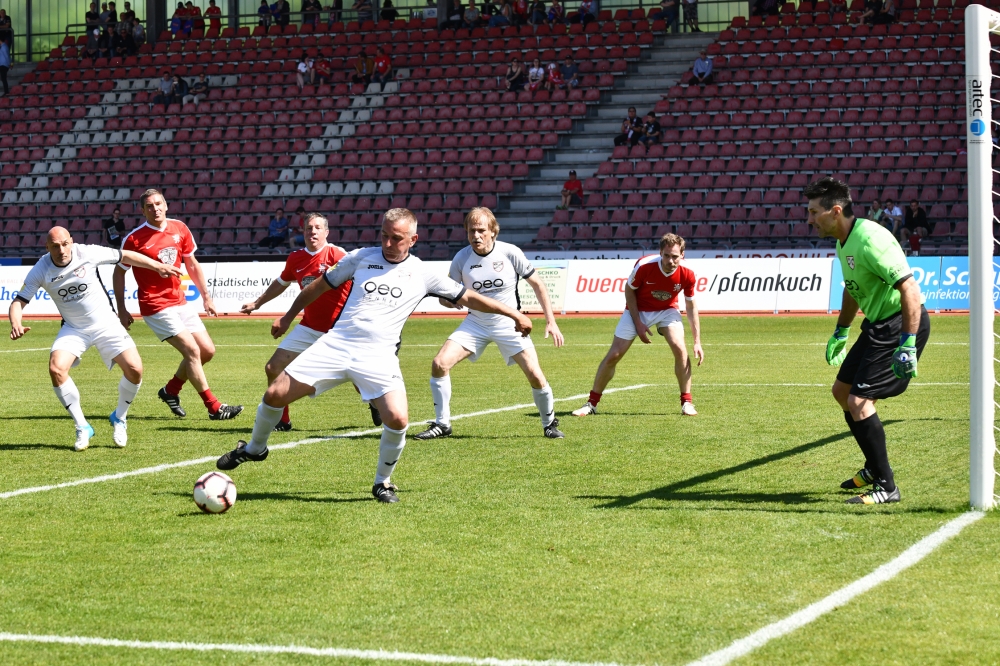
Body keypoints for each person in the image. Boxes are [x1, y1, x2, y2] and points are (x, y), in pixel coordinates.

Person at [214, 208, 535, 505]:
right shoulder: (360, 258)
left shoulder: (423, 274)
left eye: (397, 238)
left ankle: (383, 482)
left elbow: (471, 298)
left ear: (413, 240)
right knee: (274, 394)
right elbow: (317, 288)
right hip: (336, 345)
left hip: (378, 358)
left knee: (398, 419)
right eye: (384, 235)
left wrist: (513, 314)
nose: (388, 242)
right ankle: (256, 449)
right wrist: (287, 317)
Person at [804, 177, 930, 504]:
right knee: (842, 392)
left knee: (859, 402)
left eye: (814, 212)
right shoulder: (842, 241)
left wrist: (907, 342)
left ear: (835, 211)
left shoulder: (871, 239)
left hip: (898, 324)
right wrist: (841, 330)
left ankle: (887, 487)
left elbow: (910, 289)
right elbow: (851, 290)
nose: (809, 219)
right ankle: (874, 470)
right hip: (878, 324)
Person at [9, 227, 181, 451]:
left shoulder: (86, 253)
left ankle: (119, 417)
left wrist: (157, 266)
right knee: (56, 369)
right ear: (47, 247)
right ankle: (82, 426)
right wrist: (16, 323)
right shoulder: (41, 269)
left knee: (135, 369)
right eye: (55, 246)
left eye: (65, 244)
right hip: (74, 328)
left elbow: (124, 255)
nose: (62, 250)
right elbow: (18, 301)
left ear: (71, 241)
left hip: (106, 323)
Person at [114, 189, 243, 421]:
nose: (155, 209)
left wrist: (206, 296)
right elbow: (119, 272)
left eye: (159, 203)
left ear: (166, 205)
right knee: (192, 350)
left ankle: (171, 390)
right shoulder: (134, 238)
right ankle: (214, 407)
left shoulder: (180, 228)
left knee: (207, 351)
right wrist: (121, 309)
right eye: (150, 206)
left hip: (180, 301)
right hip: (155, 305)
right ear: (142, 211)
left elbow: (191, 263)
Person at [240, 213, 353, 431]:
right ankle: (283, 420)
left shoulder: (338, 255)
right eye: (309, 228)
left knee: (361, 381)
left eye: (318, 228)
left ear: (326, 232)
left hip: (340, 330)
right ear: (303, 232)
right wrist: (257, 303)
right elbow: (281, 283)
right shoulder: (296, 258)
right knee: (273, 367)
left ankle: (376, 407)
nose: (313, 232)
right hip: (309, 326)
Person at [572, 233, 704, 418]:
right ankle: (591, 404)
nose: (670, 260)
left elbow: (690, 306)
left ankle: (687, 402)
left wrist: (697, 341)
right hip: (638, 309)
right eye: (666, 255)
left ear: (682, 255)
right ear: (660, 252)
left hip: (667, 310)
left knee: (680, 349)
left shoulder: (688, 274)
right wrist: (638, 323)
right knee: (614, 355)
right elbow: (629, 290)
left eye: (675, 256)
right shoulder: (644, 266)